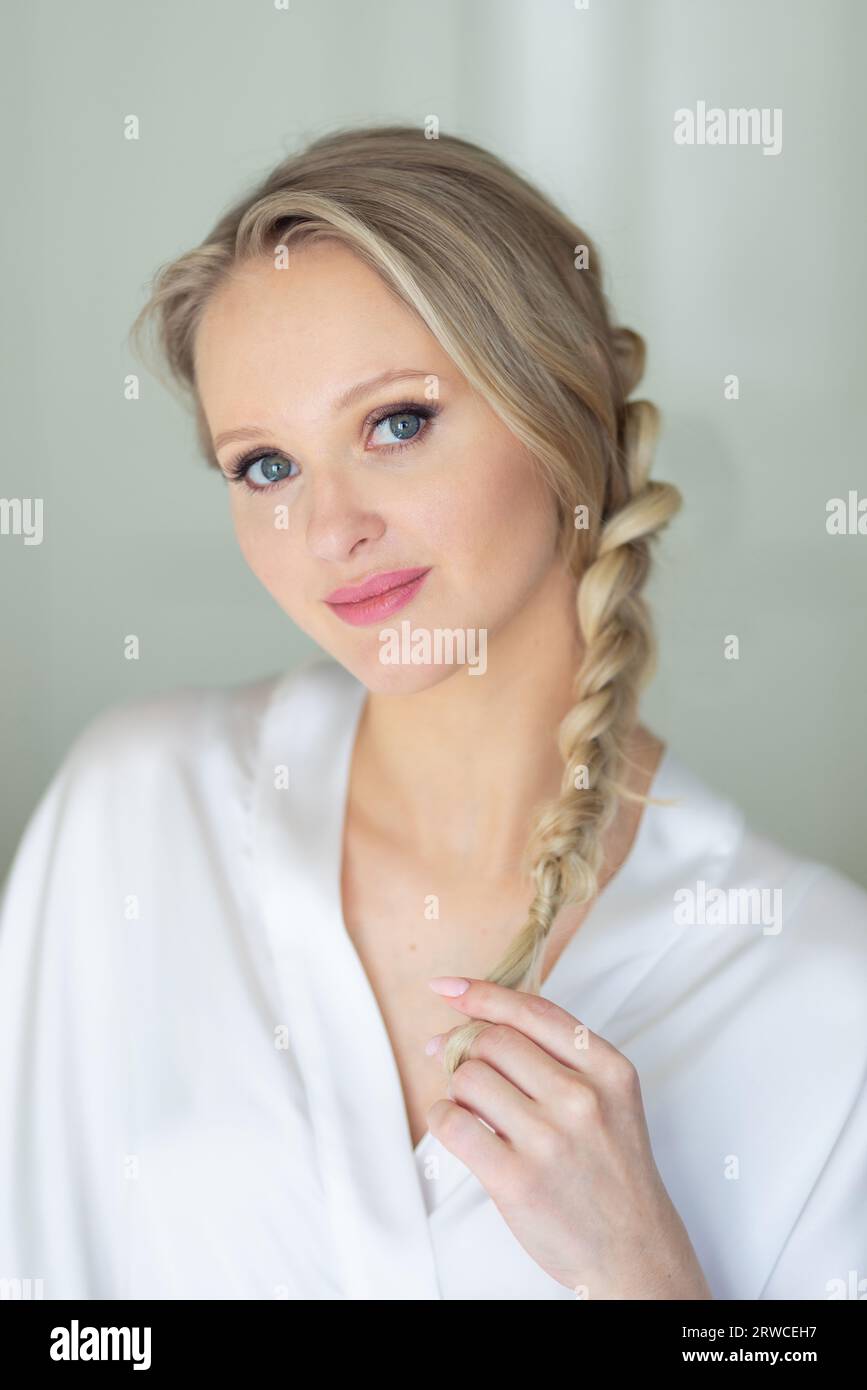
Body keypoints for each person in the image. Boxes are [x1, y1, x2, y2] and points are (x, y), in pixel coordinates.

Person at [1, 125, 865, 1301]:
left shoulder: (821, 986)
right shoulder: (134, 814)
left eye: (397, 422)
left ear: (562, 416)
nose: (327, 531)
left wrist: (651, 1284)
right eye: (264, 466)